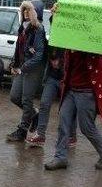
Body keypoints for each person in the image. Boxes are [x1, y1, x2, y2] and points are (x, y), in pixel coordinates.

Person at [44, 3, 102, 171]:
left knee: (86, 127)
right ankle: (60, 157)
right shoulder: (69, 37)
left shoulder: (92, 41)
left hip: (86, 92)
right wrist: (56, 15)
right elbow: (58, 29)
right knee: (63, 122)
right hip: (71, 89)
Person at [26, 8, 76, 148]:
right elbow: (46, 51)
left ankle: (72, 136)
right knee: (44, 104)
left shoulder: (74, 39)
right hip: (52, 78)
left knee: (69, 109)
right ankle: (40, 135)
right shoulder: (53, 39)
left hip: (68, 80)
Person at [6, 0, 46, 142]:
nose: (25, 13)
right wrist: (13, 64)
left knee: (26, 99)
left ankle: (22, 131)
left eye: (28, 10)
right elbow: (19, 49)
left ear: (35, 12)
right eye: (24, 10)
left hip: (33, 70)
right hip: (22, 67)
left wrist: (22, 68)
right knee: (14, 96)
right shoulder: (22, 27)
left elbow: (39, 55)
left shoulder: (38, 29)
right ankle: (34, 115)